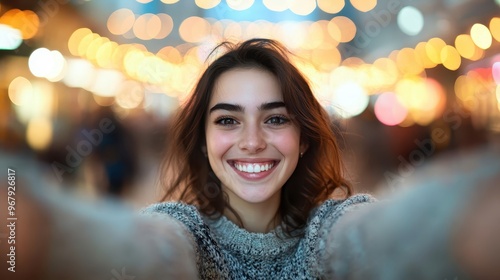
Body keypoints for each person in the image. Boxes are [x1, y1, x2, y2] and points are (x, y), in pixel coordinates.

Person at [1, 39, 499, 280]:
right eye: (227, 120)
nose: (253, 141)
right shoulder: (181, 232)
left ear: (304, 138)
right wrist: (33, 227)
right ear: (202, 140)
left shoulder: (332, 227)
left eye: (276, 119)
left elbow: (378, 235)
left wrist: (468, 218)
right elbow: (141, 249)